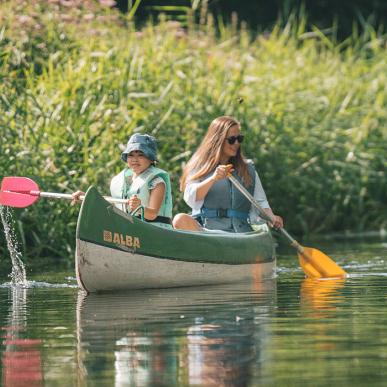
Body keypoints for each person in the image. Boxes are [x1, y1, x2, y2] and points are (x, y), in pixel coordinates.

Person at [172, 116, 283, 232]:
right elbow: (191, 198)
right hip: (208, 230)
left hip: (240, 231)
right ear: (217, 140)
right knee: (180, 219)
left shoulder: (248, 169)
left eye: (239, 139)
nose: (236, 143)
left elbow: (260, 202)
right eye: (231, 139)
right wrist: (213, 179)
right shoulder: (199, 165)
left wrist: (271, 217)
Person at [72, 133, 173, 228]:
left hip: (153, 229)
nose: (135, 159)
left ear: (151, 159)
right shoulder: (126, 181)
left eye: (141, 155)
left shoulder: (157, 182)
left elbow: (152, 214)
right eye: (131, 155)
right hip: (130, 229)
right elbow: (114, 202)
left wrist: (139, 207)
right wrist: (87, 198)